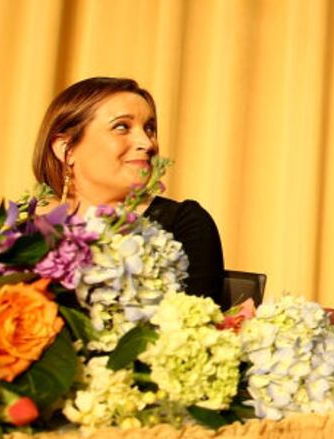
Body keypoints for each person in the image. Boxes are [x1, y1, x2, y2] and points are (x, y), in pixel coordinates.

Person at [32, 77, 227, 305]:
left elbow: (192, 327)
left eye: (150, 128)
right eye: (122, 127)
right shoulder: (22, 238)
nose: (148, 143)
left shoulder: (185, 224)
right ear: (66, 148)